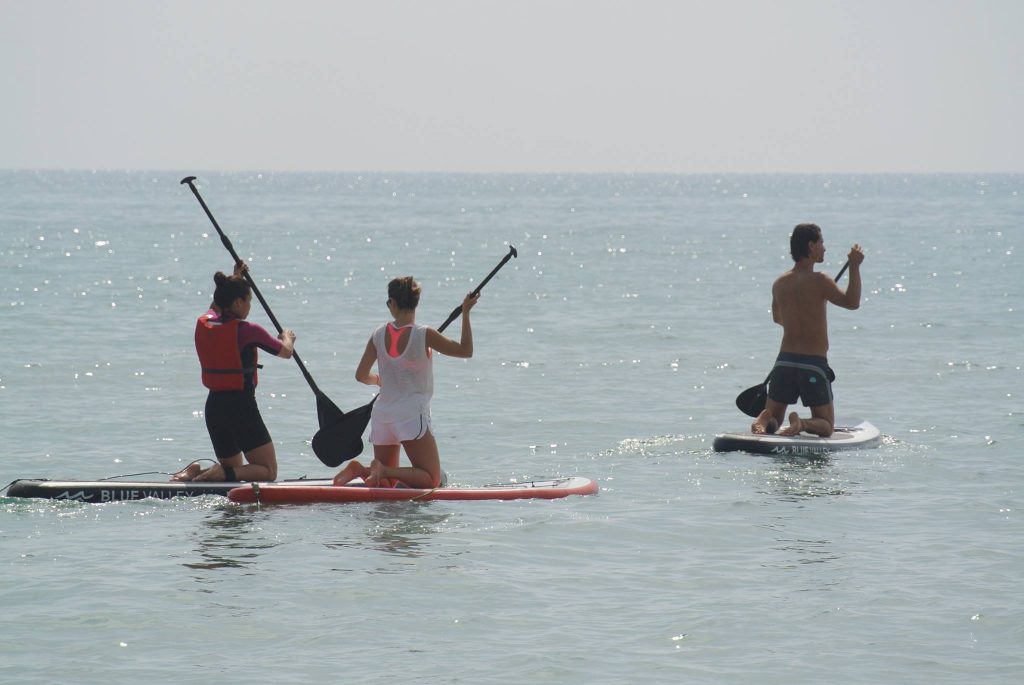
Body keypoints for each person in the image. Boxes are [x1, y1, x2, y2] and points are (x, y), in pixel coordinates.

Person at [334, 276, 478, 489]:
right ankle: (381, 470)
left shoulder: (378, 334)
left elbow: (361, 375)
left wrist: (379, 380)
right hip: (410, 415)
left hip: (383, 414)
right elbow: (466, 350)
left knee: (386, 485)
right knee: (432, 478)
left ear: (393, 303)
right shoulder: (424, 334)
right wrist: (465, 313)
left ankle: (363, 470)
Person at [172, 262, 295, 482]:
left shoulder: (205, 323)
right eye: (248, 301)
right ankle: (219, 471)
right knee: (267, 471)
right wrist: (288, 337)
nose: (249, 307)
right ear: (238, 302)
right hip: (241, 408)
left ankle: (195, 472)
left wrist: (235, 277)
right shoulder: (248, 331)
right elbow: (286, 352)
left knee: (234, 475)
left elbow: (217, 305)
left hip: (215, 408)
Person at [751, 223, 864, 437]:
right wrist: (855, 267)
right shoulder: (821, 280)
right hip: (813, 363)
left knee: (775, 419)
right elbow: (852, 302)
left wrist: (798, 321)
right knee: (826, 425)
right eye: (822, 242)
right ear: (811, 246)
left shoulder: (780, 283)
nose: (825, 248)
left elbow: (778, 319)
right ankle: (801, 423)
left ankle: (764, 418)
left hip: (784, 362)